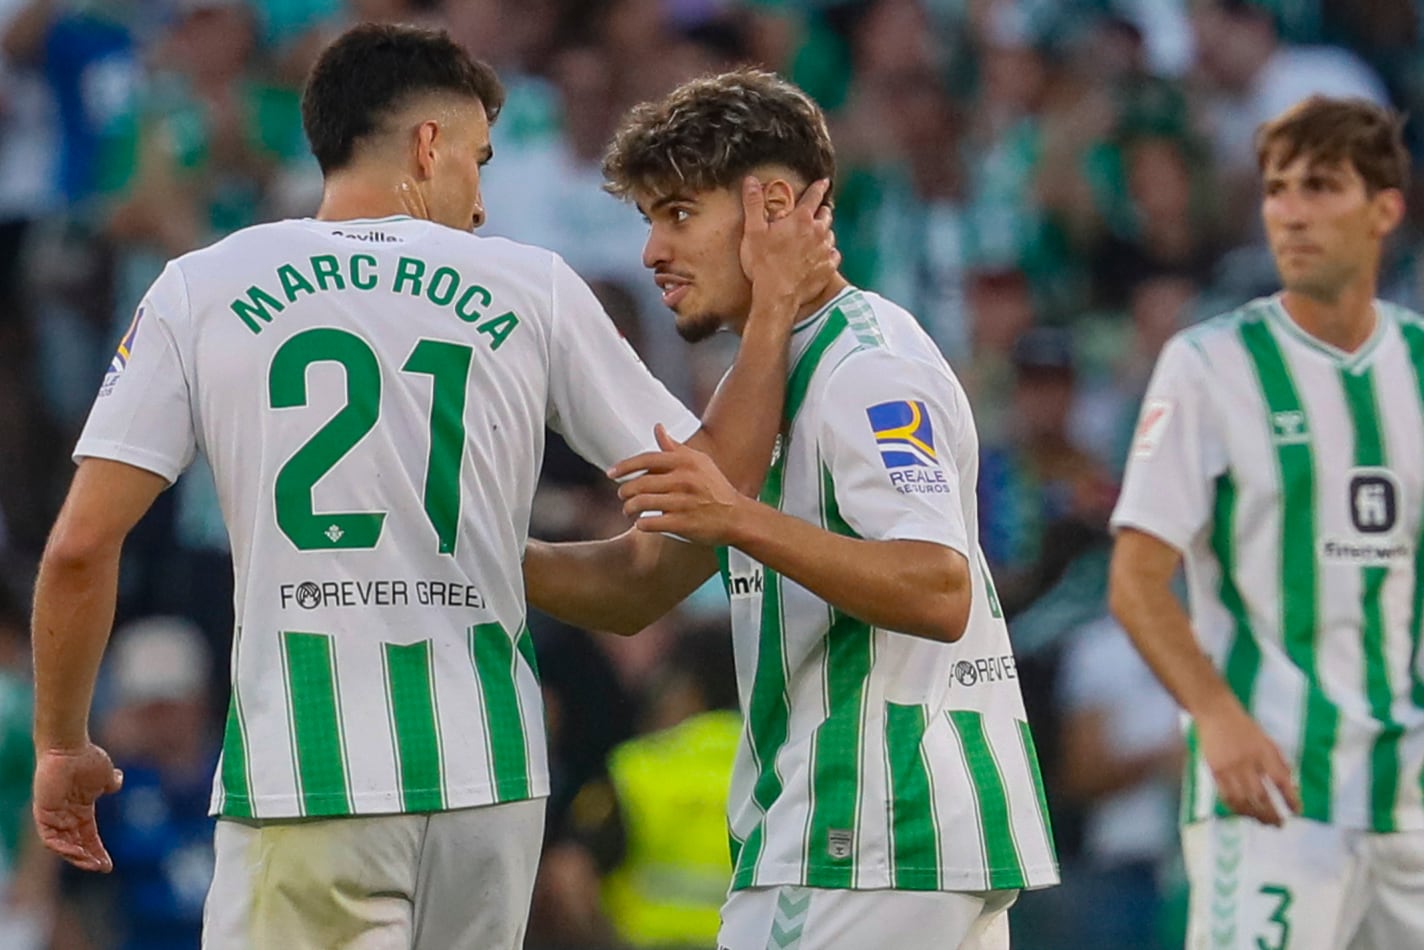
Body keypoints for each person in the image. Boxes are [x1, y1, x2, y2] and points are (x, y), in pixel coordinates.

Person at [28, 23, 835, 950]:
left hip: (309, 776)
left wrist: (61, 743)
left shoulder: (199, 287)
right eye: (480, 162)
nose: (483, 201)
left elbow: (82, 546)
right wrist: (772, 316)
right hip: (490, 781)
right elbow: (716, 485)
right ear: (427, 145)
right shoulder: (529, 284)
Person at [525, 68, 1059, 950]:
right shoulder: (773, 374)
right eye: (650, 221)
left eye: (680, 215)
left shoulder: (869, 367)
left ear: (773, 206)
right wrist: (480, 556)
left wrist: (738, 518)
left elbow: (937, 588)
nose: (654, 251)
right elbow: (638, 585)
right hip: (881, 840)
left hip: (870, 829)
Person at [1109, 95, 1424, 949]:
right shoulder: (1210, 363)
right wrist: (1215, 713)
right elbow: (1135, 580)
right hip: (1274, 795)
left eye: (1320, 187)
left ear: (1385, 209)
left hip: (1409, 802)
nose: (1290, 211)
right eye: (1277, 189)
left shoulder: (1421, 367)